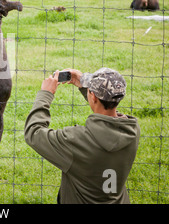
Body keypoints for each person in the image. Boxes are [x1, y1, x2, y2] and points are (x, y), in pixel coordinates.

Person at [24, 67, 140, 204]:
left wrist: (46, 94)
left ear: (93, 96)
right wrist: (86, 87)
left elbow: (34, 132)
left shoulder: (76, 140)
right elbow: (107, 111)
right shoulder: (132, 131)